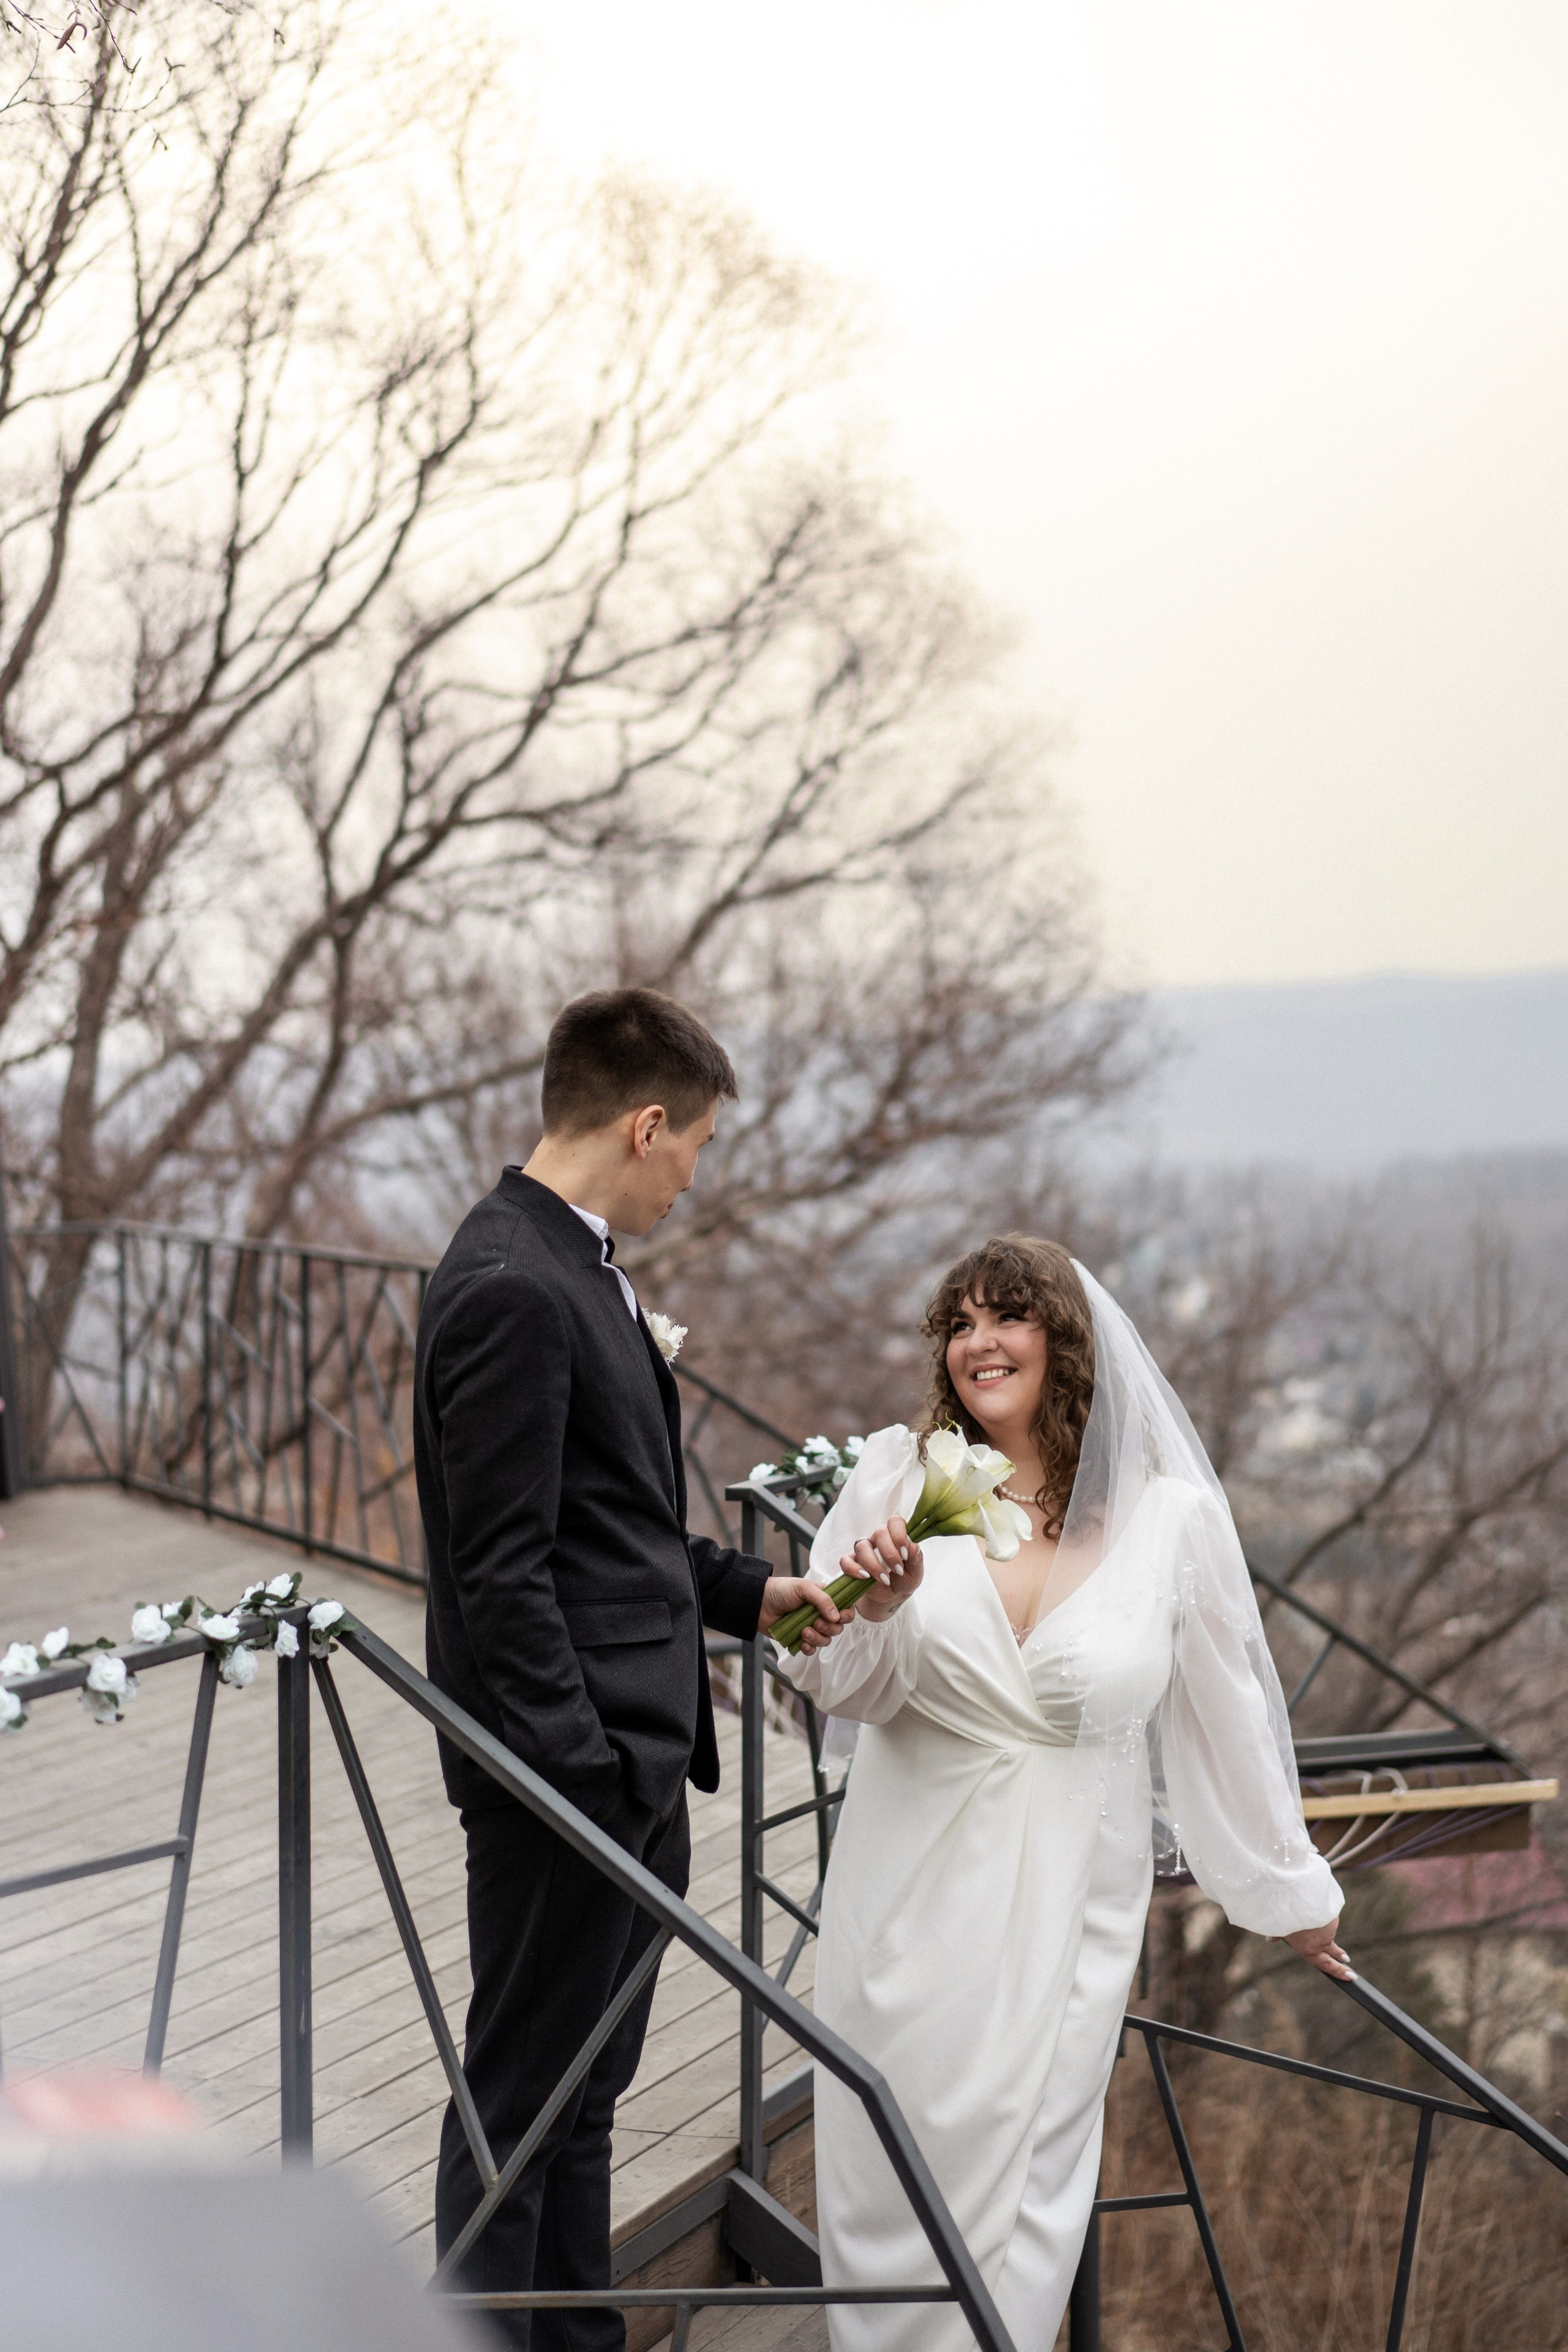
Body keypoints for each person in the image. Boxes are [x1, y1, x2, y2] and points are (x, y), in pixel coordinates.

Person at [777, 1234, 1348, 2352]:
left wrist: (1293, 1897)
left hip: (1070, 1905)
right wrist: (875, 1605)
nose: (978, 1344)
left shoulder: (1169, 1519)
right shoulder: (897, 1479)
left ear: (1070, 1343)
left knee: (1030, 2199)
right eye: (960, 1324)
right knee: (897, 2174)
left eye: (1008, 1317)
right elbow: (822, 1671)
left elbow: (1225, 1722)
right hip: (909, 1895)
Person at [415, 988, 848, 2348]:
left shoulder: (573, 1263)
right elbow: (500, 1571)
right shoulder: (510, 1284)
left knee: (588, 2097)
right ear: (647, 1125)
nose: (694, 1177)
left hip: (633, 1763)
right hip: (572, 1784)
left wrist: (752, 1595)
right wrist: (585, 1777)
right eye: (699, 1146)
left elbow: (613, 1530)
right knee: (520, 2106)